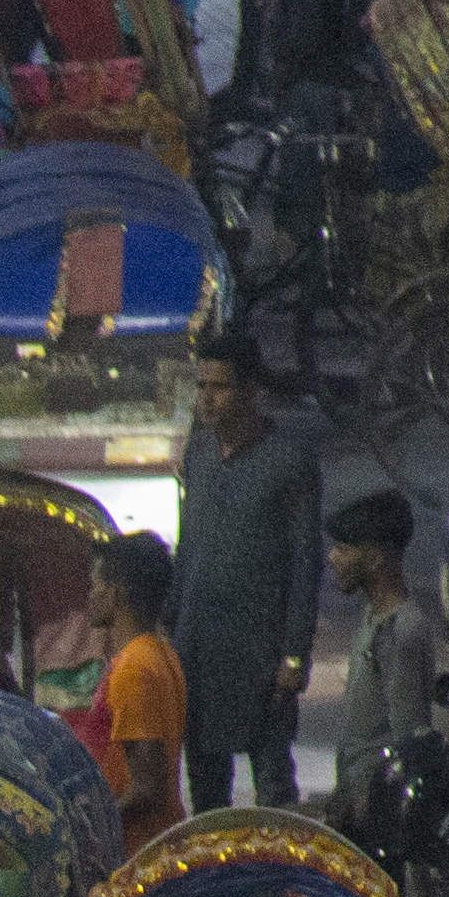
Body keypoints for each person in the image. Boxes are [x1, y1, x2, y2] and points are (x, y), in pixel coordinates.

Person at [168, 335, 321, 813]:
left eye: (220, 387)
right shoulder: (199, 454)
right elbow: (187, 547)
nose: (207, 399)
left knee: (274, 794)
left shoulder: (288, 462)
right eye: (201, 386)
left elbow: (305, 563)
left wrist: (294, 657)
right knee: (207, 794)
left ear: (252, 390)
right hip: (199, 651)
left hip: (262, 655)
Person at [76, 532, 196, 844]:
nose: (89, 595)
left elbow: (148, 790)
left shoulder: (134, 668)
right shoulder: (162, 654)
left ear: (117, 595)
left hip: (137, 851)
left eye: (95, 585)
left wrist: (86, 827)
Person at [328, 497, 438, 814]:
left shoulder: (401, 631)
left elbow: (408, 736)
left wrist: (375, 804)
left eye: (344, 549)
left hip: (376, 810)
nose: (332, 557)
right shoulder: (373, 617)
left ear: (376, 558)